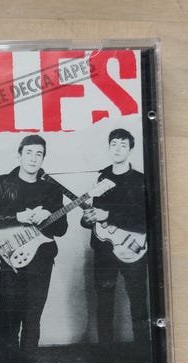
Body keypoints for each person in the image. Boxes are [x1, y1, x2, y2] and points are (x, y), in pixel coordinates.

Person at [0, 135, 68, 363]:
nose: (33, 158)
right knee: (10, 322)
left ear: (43, 158)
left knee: (32, 323)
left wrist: (48, 217)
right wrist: (18, 216)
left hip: (41, 262)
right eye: (29, 152)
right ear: (19, 155)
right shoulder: (2, 183)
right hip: (12, 262)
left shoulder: (51, 188)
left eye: (39, 153)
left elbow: (61, 229)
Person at [81, 128, 149, 346]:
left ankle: (143, 357)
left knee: (138, 303)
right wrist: (88, 218)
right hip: (104, 250)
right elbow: (94, 217)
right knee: (104, 303)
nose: (118, 149)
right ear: (109, 148)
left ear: (130, 149)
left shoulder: (141, 180)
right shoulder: (101, 178)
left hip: (134, 248)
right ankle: (106, 359)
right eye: (114, 144)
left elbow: (146, 217)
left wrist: (108, 214)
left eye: (123, 145)